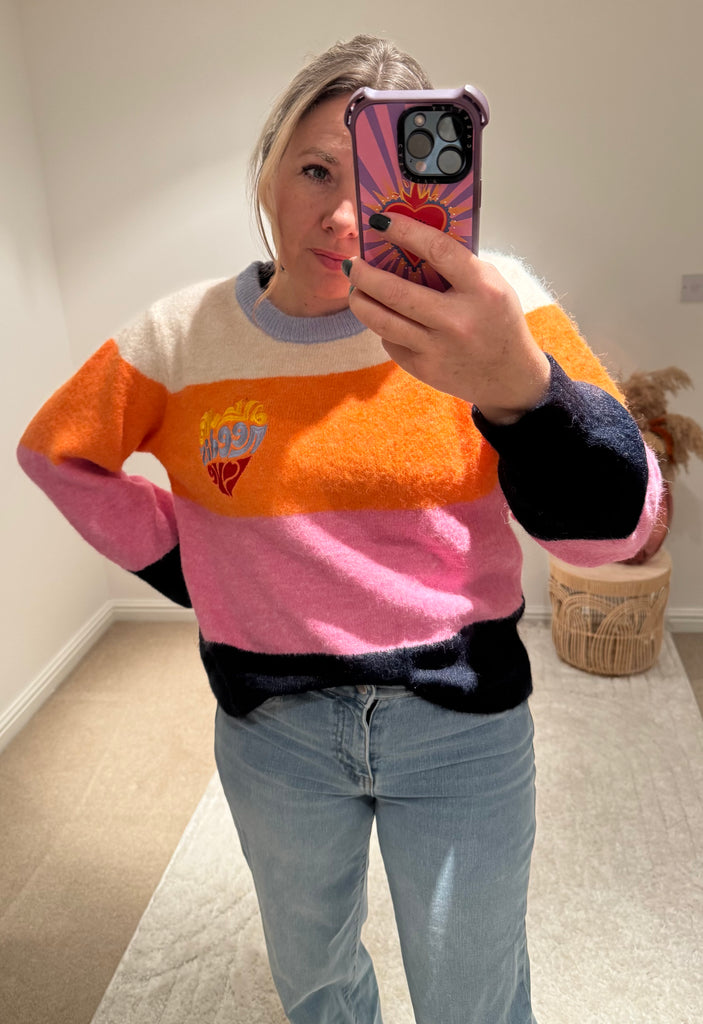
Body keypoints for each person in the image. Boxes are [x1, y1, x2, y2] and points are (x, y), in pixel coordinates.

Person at [17, 34, 663, 1024]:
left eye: (379, 187)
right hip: (274, 732)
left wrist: (520, 389)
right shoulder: (179, 337)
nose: (345, 217)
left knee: (473, 998)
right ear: (267, 168)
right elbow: (55, 451)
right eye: (316, 170)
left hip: (458, 722)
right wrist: (194, 565)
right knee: (314, 981)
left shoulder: (491, 314)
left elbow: (616, 532)